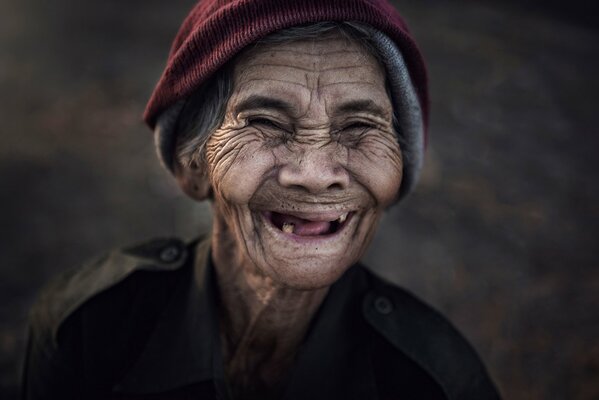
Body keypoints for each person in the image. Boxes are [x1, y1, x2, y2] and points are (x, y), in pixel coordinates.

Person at [22, 0, 501, 399]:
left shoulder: (437, 382)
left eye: (359, 127)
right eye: (265, 122)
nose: (314, 175)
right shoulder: (90, 326)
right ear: (193, 166)